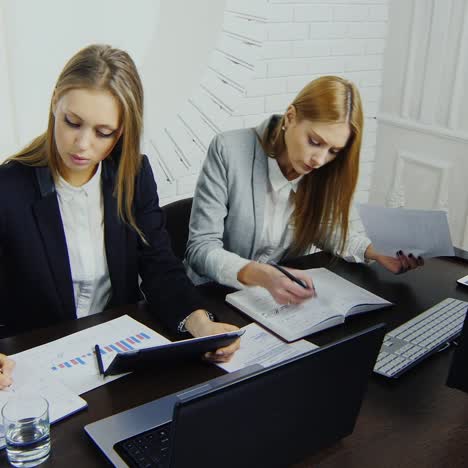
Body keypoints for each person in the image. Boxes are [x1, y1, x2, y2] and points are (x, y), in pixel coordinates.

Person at [0, 44, 240, 383]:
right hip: (36, 365)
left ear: (122, 130)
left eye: (103, 132)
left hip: (117, 355)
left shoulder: (134, 175)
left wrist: (200, 324)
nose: (83, 144)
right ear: (55, 101)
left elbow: (159, 264)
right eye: (73, 122)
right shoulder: (8, 187)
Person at [186, 75, 423, 305]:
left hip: (272, 302)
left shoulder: (318, 172)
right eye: (315, 141)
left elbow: (322, 229)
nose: (320, 159)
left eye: (334, 151)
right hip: (211, 298)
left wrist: (374, 251)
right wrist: (261, 275)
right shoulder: (229, 149)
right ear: (290, 117)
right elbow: (201, 248)